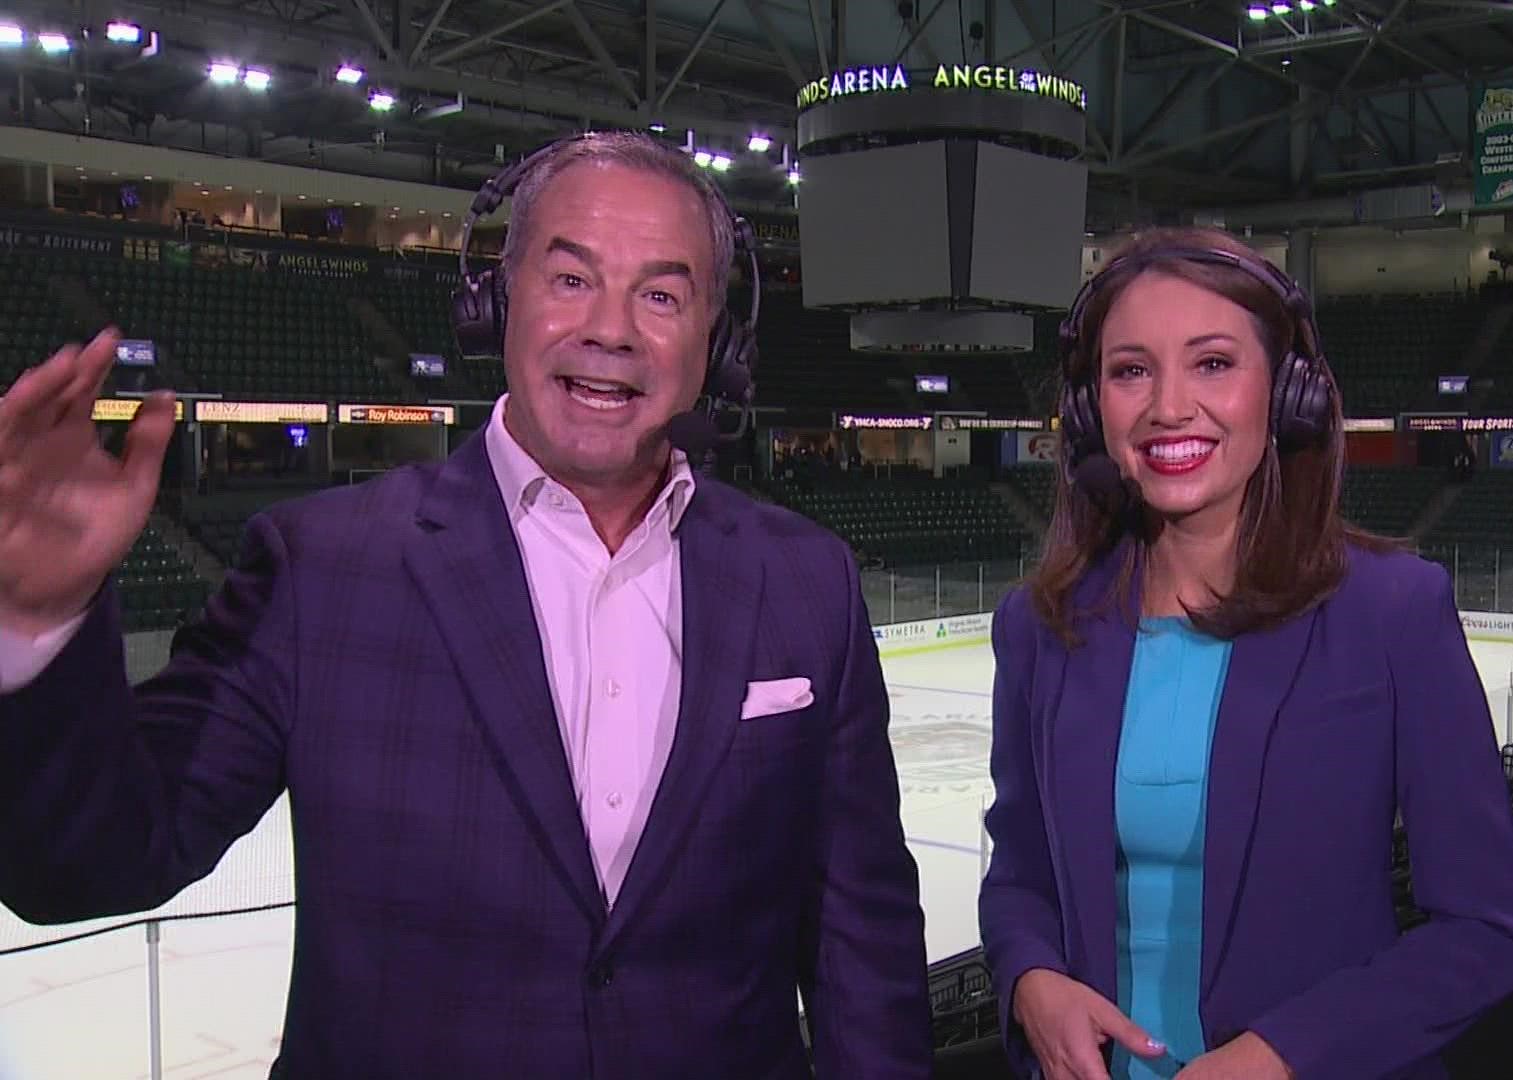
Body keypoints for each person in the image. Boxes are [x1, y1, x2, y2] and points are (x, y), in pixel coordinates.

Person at [0, 131, 933, 1078]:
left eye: (660, 295)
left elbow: (865, 938)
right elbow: (94, 861)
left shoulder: (805, 578)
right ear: (496, 301)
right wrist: (39, 621)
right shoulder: (321, 570)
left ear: (716, 345)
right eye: (570, 279)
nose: (610, 329)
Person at [977, 228, 1513, 1080]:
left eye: (1212, 364)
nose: (1169, 407)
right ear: (1092, 409)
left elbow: (1487, 930)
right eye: (1131, 370)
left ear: (1287, 395)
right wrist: (1030, 979)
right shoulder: (1038, 627)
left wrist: (1285, 1055)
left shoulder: (1393, 612)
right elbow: (1017, 871)